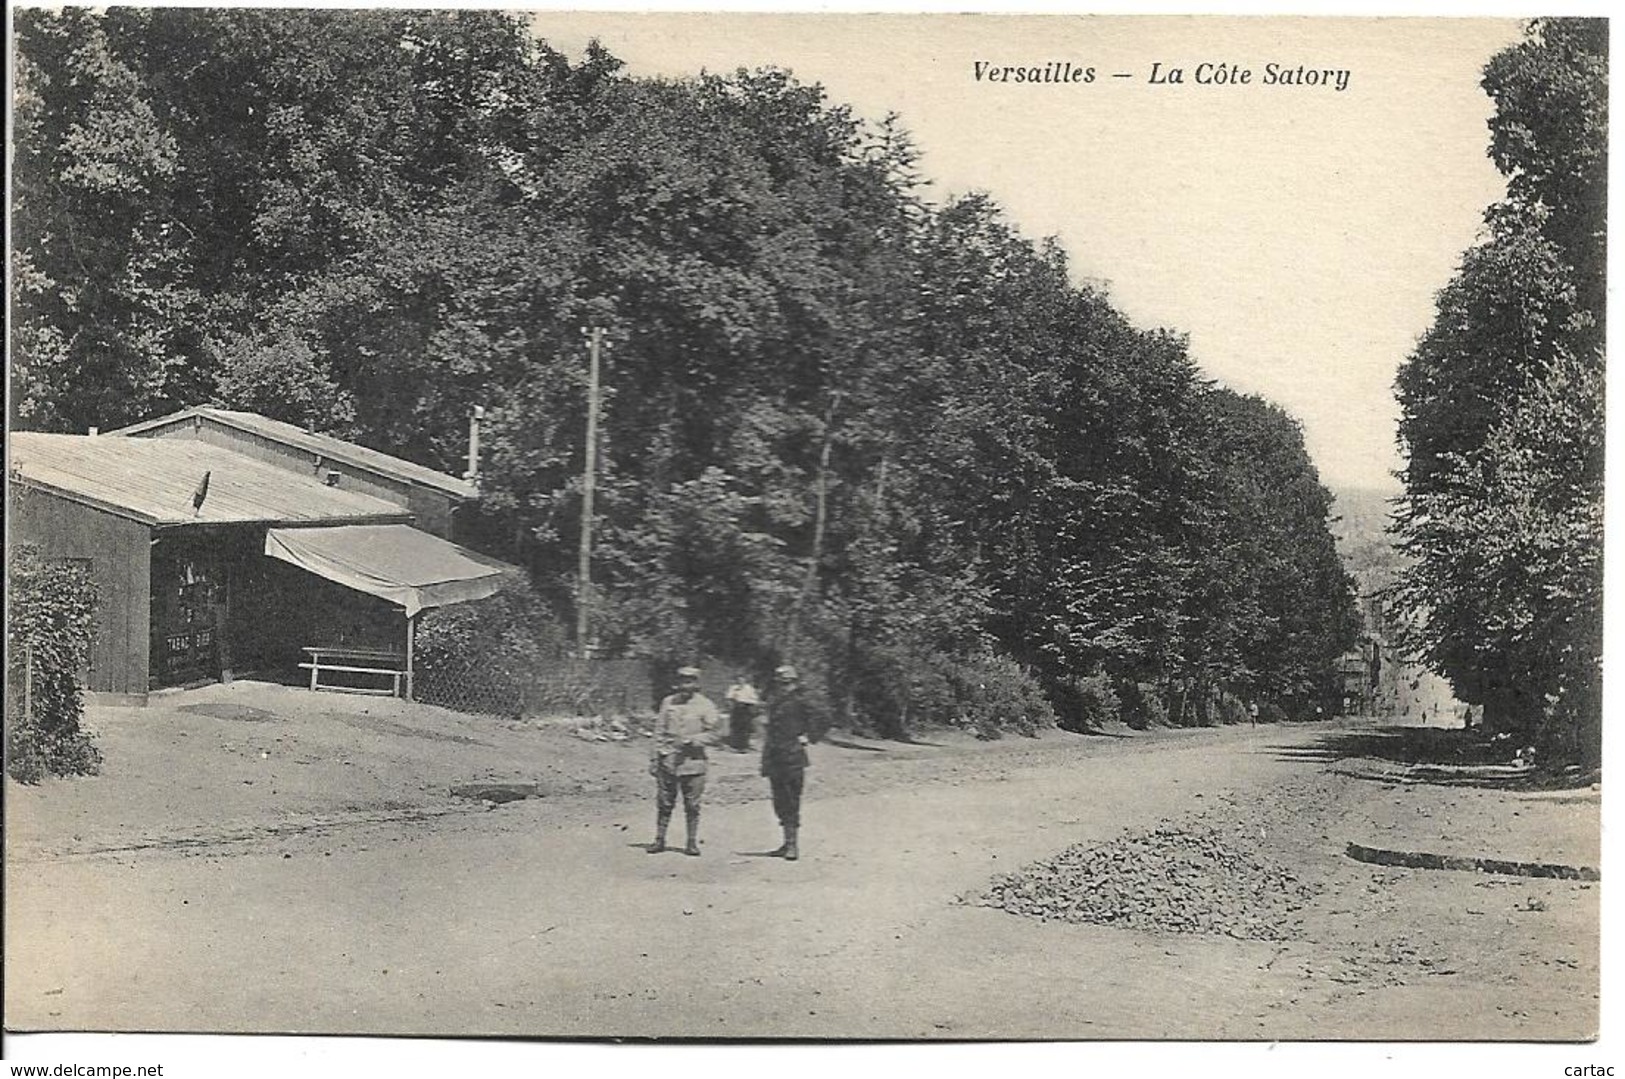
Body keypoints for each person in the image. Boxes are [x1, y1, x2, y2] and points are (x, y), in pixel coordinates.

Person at [647, 666, 720, 856]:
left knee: (692, 805)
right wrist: (654, 758)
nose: (685, 686)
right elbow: (659, 731)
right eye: (682, 682)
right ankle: (659, 839)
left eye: (690, 681)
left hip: (693, 762)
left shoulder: (706, 705)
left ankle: (691, 842)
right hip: (668, 761)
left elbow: (715, 734)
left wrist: (694, 740)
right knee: (664, 803)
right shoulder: (668, 703)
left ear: (697, 684)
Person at [760, 664, 815, 860]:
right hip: (775, 758)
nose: (784, 687)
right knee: (779, 801)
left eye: (787, 683)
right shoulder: (775, 701)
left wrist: (808, 735)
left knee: (791, 800)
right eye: (781, 684)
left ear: (794, 682)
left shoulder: (801, 701)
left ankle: (793, 846)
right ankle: (786, 843)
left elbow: (822, 717)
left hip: (793, 757)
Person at [725, 673, 761, 752]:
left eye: (742, 679)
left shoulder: (749, 688)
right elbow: (729, 697)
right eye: (738, 679)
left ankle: (744, 746)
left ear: (745, 680)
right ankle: (735, 745)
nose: (740, 680)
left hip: (746, 708)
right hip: (737, 708)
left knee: (745, 727)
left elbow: (755, 699)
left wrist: (750, 705)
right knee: (736, 726)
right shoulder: (733, 688)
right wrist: (731, 705)